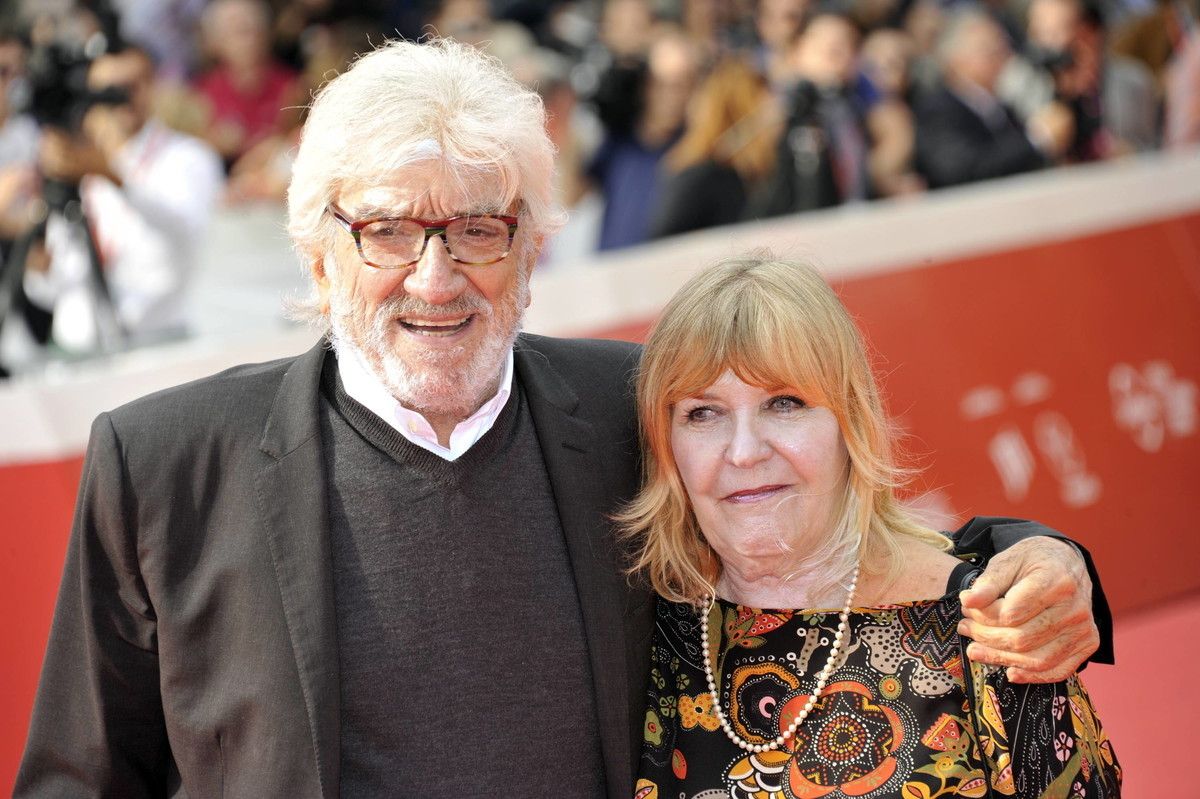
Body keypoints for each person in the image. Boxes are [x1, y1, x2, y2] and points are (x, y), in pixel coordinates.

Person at [17, 39, 1109, 798]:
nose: (435, 278)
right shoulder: (164, 463)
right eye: (387, 231)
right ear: (317, 253)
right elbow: (81, 775)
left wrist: (1043, 557)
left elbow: (830, 528)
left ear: (532, 251)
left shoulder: (635, 411)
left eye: (479, 229)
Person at [622, 254, 1121, 798]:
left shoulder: (991, 633)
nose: (743, 452)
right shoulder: (648, 624)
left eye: (784, 403)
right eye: (703, 413)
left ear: (850, 422)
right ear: (665, 444)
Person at [22, 44, 224, 355]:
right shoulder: (77, 165)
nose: (119, 99)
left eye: (130, 85)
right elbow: (54, 290)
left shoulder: (187, 156)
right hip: (74, 352)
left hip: (158, 347)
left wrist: (114, 177)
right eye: (105, 90)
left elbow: (183, 230)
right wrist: (37, 267)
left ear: (153, 85)